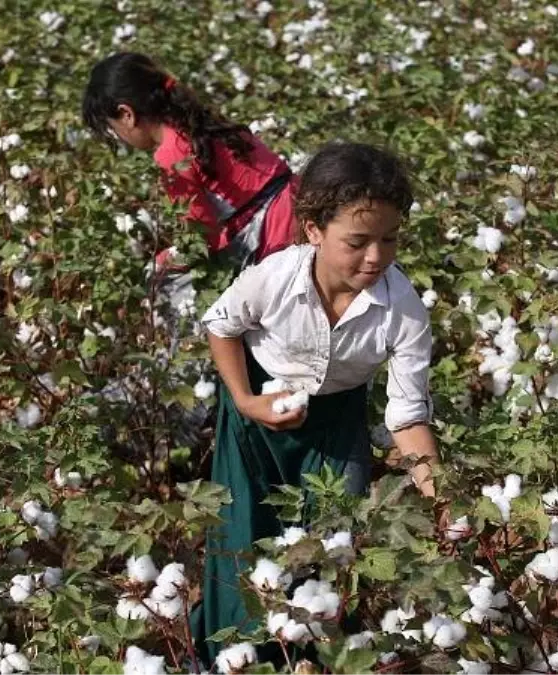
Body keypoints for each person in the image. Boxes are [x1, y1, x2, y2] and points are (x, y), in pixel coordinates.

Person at [189, 141, 441, 666]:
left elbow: (407, 414)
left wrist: (441, 498)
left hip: (335, 427)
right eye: (358, 241)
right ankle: (236, 659)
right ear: (313, 230)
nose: (376, 256)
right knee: (244, 543)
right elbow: (221, 325)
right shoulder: (276, 277)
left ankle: (314, 661)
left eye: (390, 239)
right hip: (256, 419)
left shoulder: (404, 311)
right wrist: (246, 399)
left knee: (330, 552)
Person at [81, 51, 297, 273]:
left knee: (158, 281)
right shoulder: (200, 120)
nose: (118, 137)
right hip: (298, 201)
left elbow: (201, 239)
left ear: (126, 114)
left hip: (276, 236)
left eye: (113, 128)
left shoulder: (170, 155)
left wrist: (161, 262)